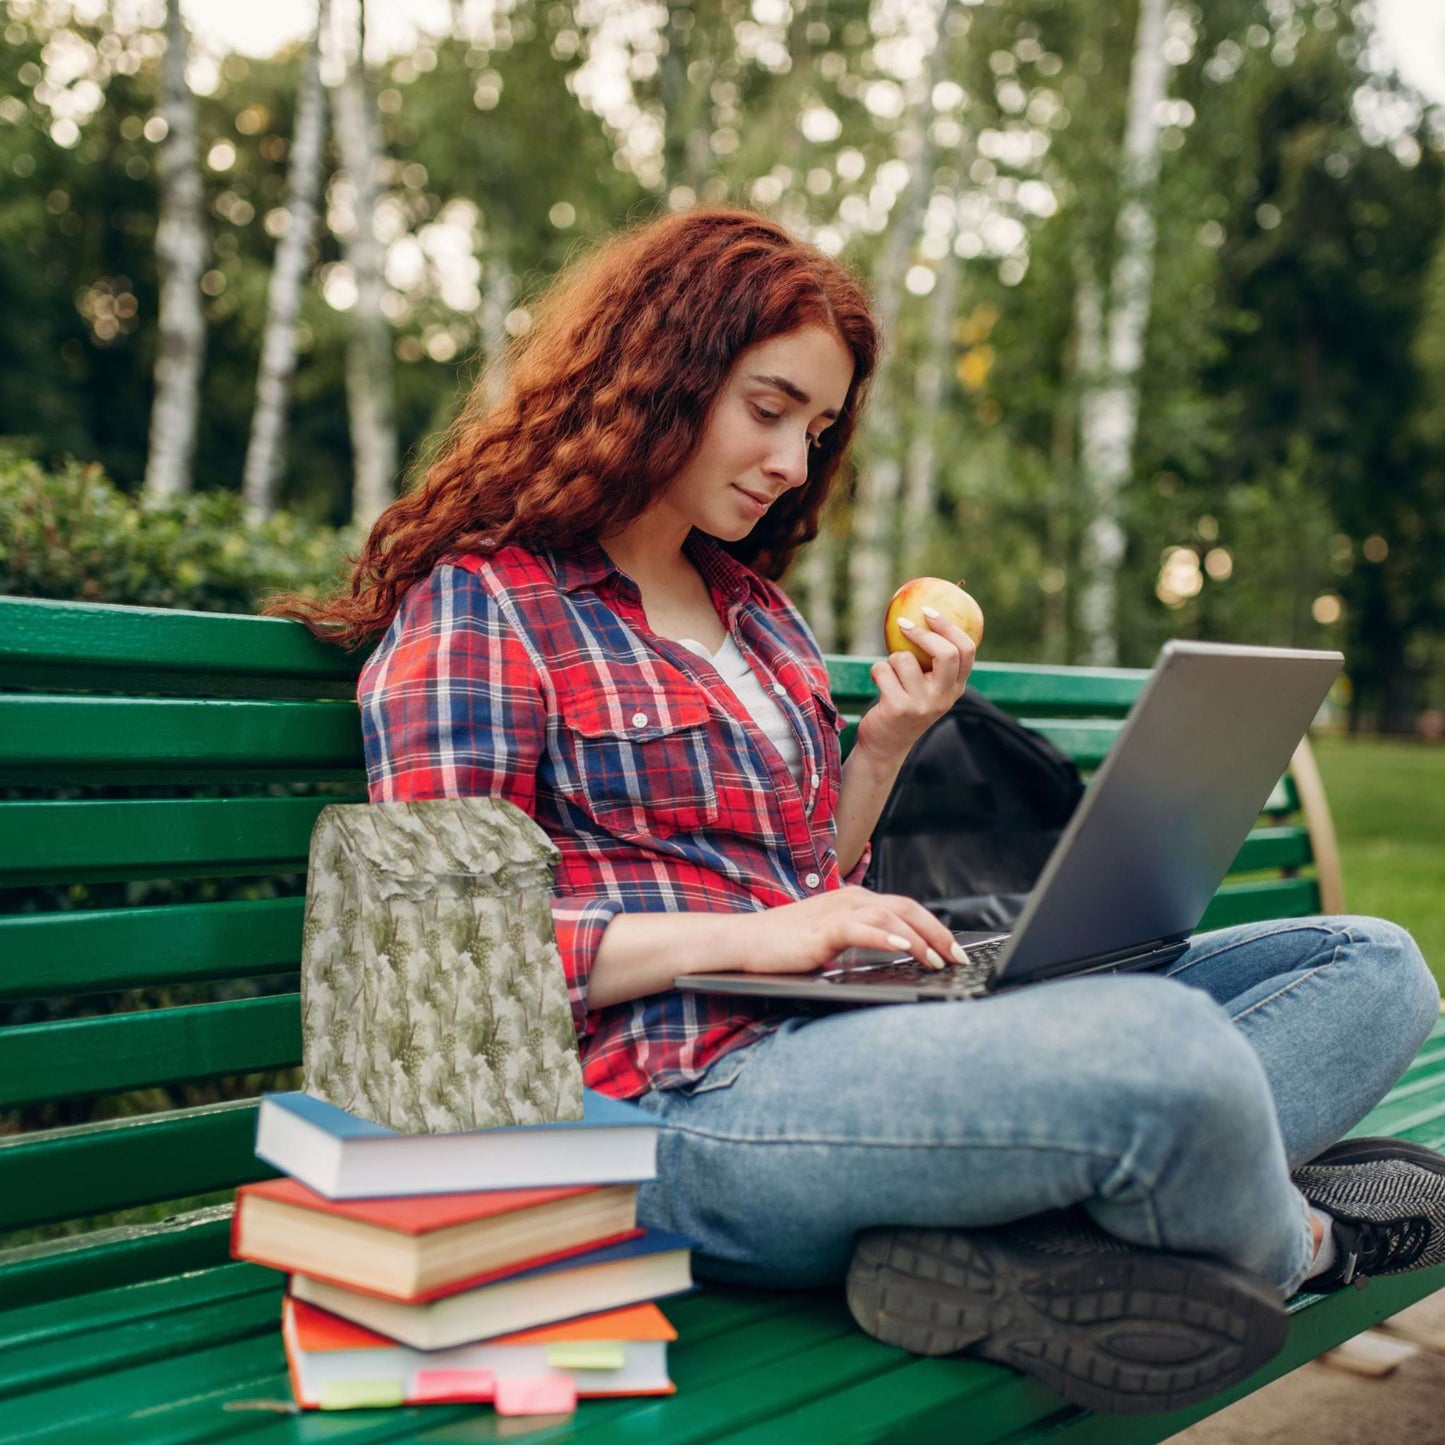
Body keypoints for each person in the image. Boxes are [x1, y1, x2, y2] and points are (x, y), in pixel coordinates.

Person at [273, 208, 1445, 1417]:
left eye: (815, 428)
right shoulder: (486, 606)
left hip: (841, 1035)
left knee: (1372, 965)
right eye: (766, 408)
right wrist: (747, 939)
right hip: (675, 1103)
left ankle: (1011, 1235)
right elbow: (442, 963)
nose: (789, 460)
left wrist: (881, 747)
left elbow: (795, 882)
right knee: (1173, 1060)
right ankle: (1300, 1241)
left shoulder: (756, 615)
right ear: (657, 375)